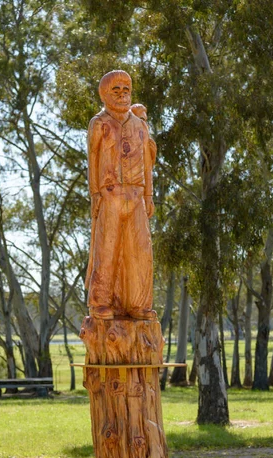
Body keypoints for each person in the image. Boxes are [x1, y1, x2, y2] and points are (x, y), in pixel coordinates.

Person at [85, 70, 156, 321]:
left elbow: (147, 164)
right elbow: (92, 158)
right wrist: (95, 193)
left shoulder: (140, 126)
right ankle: (100, 302)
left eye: (126, 89)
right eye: (116, 90)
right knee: (106, 249)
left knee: (140, 251)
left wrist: (148, 196)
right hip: (110, 194)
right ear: (104, 94)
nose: (122, 94)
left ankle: (138, 304)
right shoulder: (99, 123)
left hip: (137, 196)